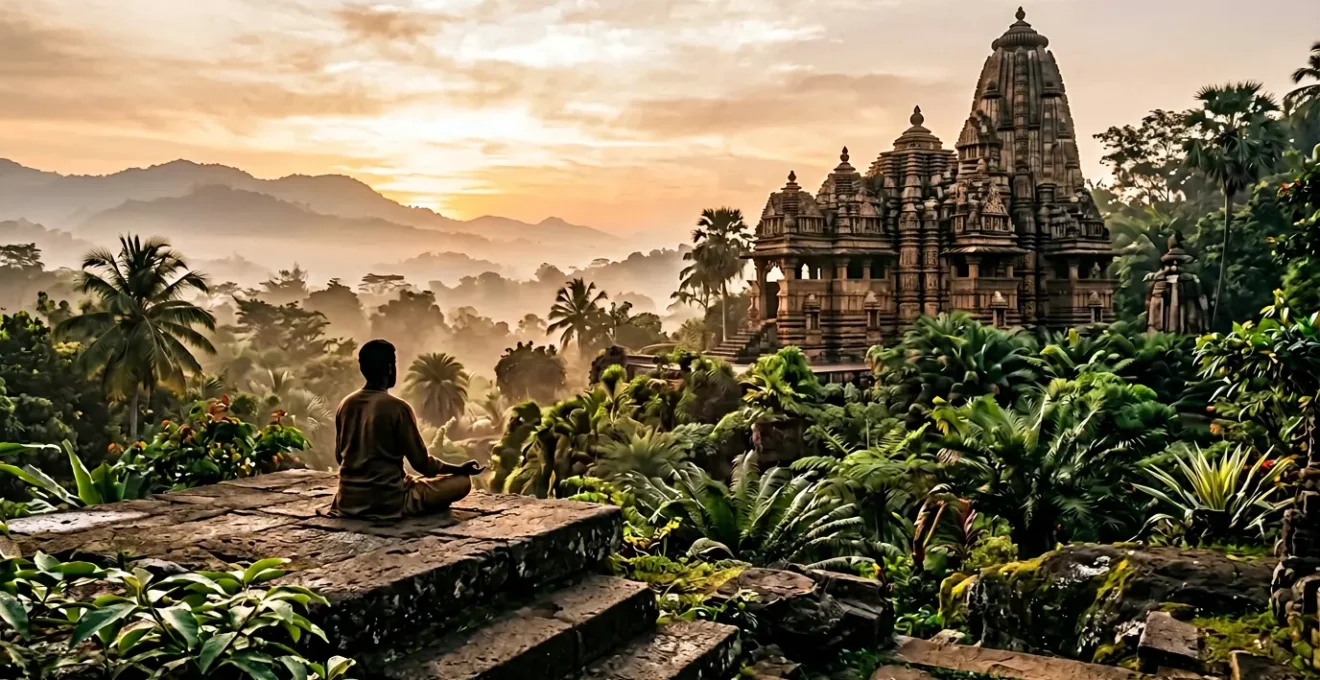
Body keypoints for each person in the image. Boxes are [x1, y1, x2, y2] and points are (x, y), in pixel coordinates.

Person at [332, 339, 484, 519]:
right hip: (389, 501)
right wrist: (459, 469)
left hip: (347, 501)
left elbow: (339, 457)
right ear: (390, 368)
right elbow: (422, 464)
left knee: (416, 482)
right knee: (462, 483)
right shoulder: (398, 408)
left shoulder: (346, 404)